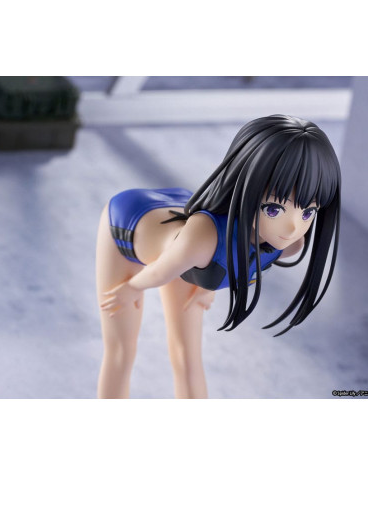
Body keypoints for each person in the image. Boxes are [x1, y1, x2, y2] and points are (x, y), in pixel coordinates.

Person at [96, 114, 341, 399]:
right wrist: (131, 288)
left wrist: (205, 287)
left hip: (183, 246)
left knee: (188, 356)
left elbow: (241, 263)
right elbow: (161, 271)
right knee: (121, 351)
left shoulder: (289, 244)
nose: (293, 227)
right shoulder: (203, 236)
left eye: (308, 212)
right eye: (274, 209)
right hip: (128, 225)